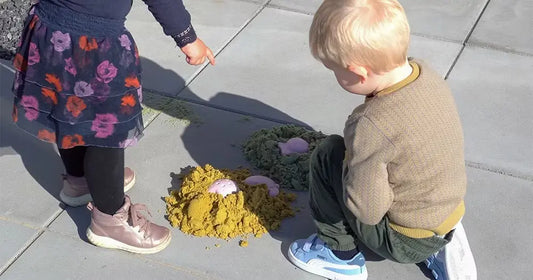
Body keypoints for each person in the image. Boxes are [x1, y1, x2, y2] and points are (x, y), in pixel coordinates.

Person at [287, 0, 477, 279]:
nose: (334, 77)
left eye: (335, 71)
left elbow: (368, 211)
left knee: (328, 153)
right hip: (447, 211)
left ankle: (339, 255)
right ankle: (438, 247)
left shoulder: (372, 125)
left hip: (406, 241)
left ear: (358, 72)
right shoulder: (427, 75)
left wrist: (353, 161)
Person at [11, 0, 215, 254]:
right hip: (94, 44)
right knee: (107, 133)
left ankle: (80, 181)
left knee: (70, 112)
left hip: (49, 30)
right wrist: (187, 37)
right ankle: (110, 220)